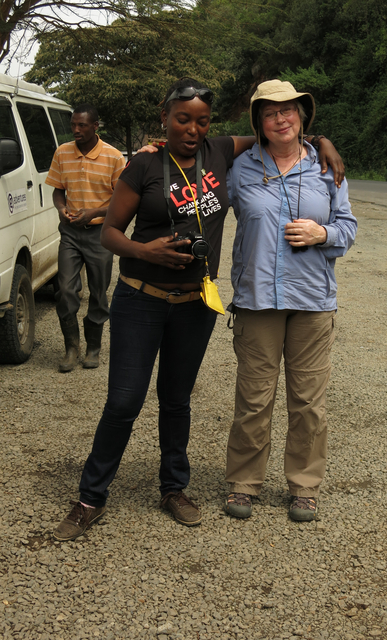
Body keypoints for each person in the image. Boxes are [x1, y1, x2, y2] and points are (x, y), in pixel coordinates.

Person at [52, 78, 345, 540]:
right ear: (164, 118)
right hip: (140, 297)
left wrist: (322, 141)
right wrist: (147, 252)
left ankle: (173, 488)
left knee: (177, 400)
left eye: (201, 120)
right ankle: (90, 497)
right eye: (182, 118)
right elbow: (109, 233)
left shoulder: (220, 152)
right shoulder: (143, 164)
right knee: (124, 401)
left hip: (195, 302)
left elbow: (282, 134)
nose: (192, 128)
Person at [224, 80, 357, 522]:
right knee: (254, 398)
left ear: (302, 115)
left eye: (289, 110)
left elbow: (348, 227)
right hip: (257, 300)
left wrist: (325, 234)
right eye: (270, 112)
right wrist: (157, 153)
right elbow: (198, 187)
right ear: (258, 122)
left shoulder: (326, 167)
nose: (280, 119)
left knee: (308, 402)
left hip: (313, 301)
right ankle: (244, 483)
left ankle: (304, 486)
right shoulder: (241, 167)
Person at [46, 104, 125, 372]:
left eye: (82, 125)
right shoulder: (62, 152)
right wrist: (61, 209)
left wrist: (93, 212)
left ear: (95, 126)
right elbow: (58, 190)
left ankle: (94, 347)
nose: (76, 130)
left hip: (100, 234)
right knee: (66, 289)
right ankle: (71, 347)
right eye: (73, 125)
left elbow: (122, 199)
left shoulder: (114, 157)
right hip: (70, 234)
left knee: (99, 292)